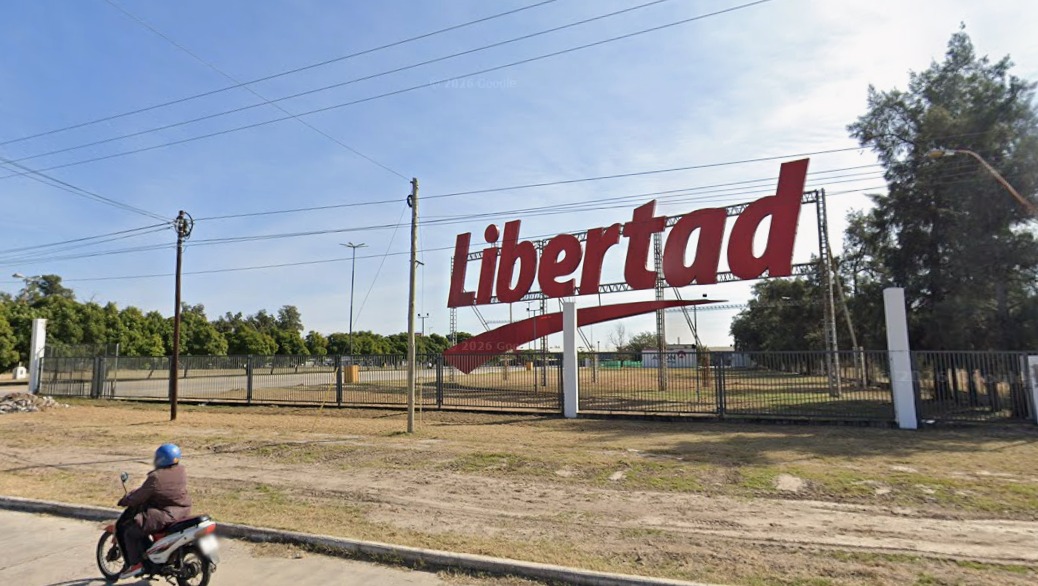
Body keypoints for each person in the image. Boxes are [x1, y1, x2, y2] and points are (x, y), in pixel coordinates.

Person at [116, 443, 192, 580]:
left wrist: (126, 500)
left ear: (160, 459)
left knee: (131, 532)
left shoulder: (156, 477)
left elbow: (140, 495)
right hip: (183, 511)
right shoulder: (181, 471)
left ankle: (136, 564)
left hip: (165, 515)